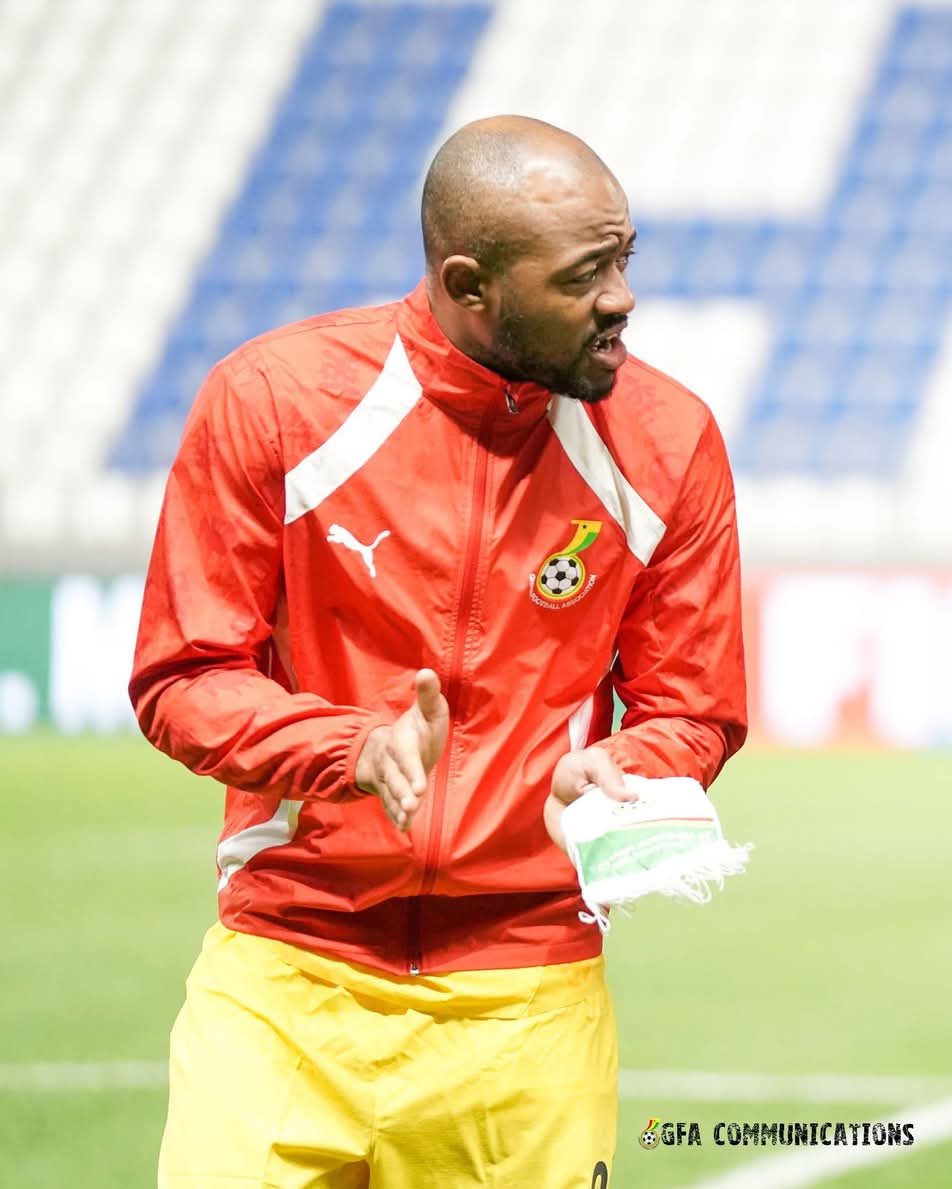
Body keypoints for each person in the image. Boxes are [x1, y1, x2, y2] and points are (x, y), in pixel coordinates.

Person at [131, 114, 747, 1189]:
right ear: (470, 284)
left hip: (530, 1001)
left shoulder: (671, 441)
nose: (622, 298)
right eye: (585, 275)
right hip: (285, 979)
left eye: (624, 259)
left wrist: (628, 767)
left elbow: (693, 706)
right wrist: (348, 748)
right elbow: (185, 677)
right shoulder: (275, 402)